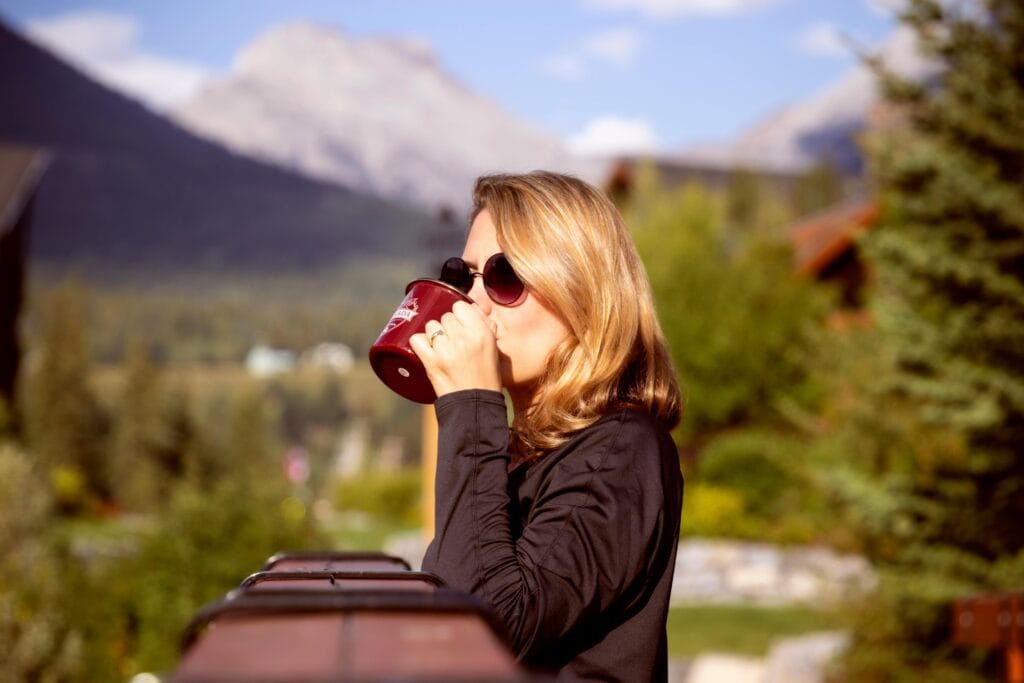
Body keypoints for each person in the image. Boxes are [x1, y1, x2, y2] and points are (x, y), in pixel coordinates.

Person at [409, 171, 683, 682]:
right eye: (462, 275)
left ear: (584, 296)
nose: (473, 301)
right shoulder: (530, 452)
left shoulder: (621, 449)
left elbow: (487, 626)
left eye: (504, 277)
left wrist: (472, 406)